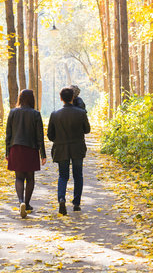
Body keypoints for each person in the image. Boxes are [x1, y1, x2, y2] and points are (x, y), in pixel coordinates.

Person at [47, 87, 91, 215]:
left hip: (61, 149)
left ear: (61, 98)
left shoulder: (55, 114)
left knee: (63, 176)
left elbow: (50, 135)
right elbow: (87, 130)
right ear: (73, 98)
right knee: (78, 176)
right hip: (77, 148)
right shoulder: (81, 113)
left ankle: (61, 198)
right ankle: (76, 203)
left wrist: (59, 138)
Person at [5, 89, 47, 219]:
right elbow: (40, 135)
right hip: (31, 148)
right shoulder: (35, 114)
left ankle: (20, 202)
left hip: (16, 148)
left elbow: (8, 134)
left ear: (20, 98)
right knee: (30, 178)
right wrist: (43, 154)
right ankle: (27, 204)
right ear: (31, 99)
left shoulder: (13, 112)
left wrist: (7, 151)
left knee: (19, 177)